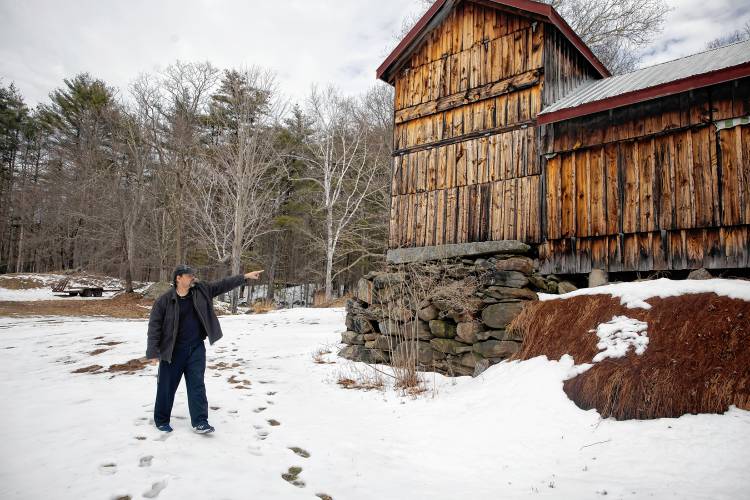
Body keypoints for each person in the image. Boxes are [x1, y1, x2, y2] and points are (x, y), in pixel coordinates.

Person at [145, 264, 264, 433]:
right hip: (172, 351)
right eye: (189, 275)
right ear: (178, 278)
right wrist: (152, 352)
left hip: (196, 348)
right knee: (166, 386)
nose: (193, 277)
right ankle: (162, 420)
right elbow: (154, 327)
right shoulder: (164, 301)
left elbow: (223, 284)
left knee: (197, 385)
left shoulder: (201, 290)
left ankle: (200, 421)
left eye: (193, 274)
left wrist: (244, 277)